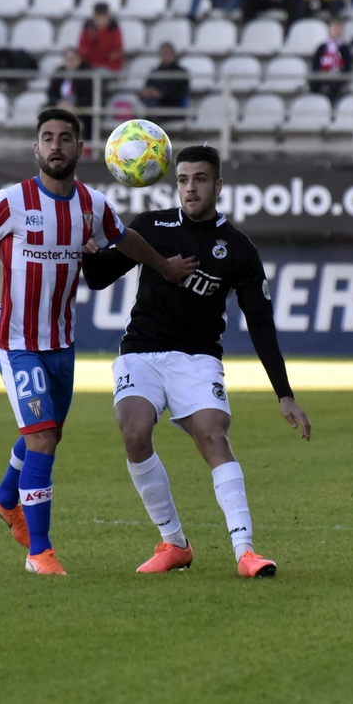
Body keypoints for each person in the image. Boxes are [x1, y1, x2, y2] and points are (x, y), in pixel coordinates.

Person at [0, 108, 195, 576]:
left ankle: (4, 498)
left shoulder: (92, 205)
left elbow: (126, 240)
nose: (55, 145)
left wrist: (164, 267)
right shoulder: (11, 201)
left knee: (50, 435)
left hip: (61, 342)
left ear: (80, 150)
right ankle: (40, 552)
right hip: (16, 341)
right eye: (47, 138)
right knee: (40, 440)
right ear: (36, 149)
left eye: (65, 138)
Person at [82, 144, 308, 579]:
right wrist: (89, 249)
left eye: (200, 179)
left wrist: (285, 394)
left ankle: (246, 551)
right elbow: (97, 278)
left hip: (199, 358)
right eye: (183, 180)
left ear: (218, 185)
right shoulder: (151, 226)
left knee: (212, 435)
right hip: (142, 351)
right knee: (134, 430)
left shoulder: (237, 248)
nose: (190, 188)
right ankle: (174, 543)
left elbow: (260, 322)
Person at [139, 42, 189, 119]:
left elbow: (181, 93)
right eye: (163, 54)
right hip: (155, 104)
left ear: (173, 54)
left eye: (167, 53)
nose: (165, 56)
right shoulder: (155, 71)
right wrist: (148, 92)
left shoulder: (181, 72)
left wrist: (161, 94)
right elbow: (147, 87)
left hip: (173, 106)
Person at [309, 18, 353, 98]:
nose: (336, 31)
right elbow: (315, 65)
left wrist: (338, 73)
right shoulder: (322, 47)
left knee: (335, 85)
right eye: (334, 27)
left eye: (339, 28)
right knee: (313, 83)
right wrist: (321, 72)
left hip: (338, 77)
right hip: (323, 75)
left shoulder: (345, 48)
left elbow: (348, 67)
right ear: (329, 29)